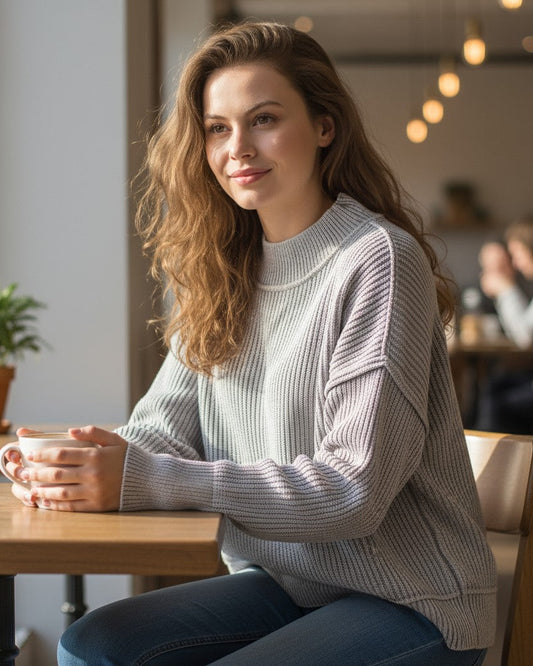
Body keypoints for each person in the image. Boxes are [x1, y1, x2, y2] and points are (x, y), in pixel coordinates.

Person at [5, 21, 495, 665]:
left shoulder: (377, 260)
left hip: (414, 601)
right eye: (217, 127)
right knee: (91, 647)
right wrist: (72, 468)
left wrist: (147, 477)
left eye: (263, 118)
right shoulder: (223, 268)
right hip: (292, 586)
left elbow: (353, 491)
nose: (238, 147)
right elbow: (160, 433)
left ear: (325, 126)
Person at [476, 217, 533, 433]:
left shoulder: (518, 286)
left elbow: (526, 336)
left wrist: (505, 290)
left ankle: (498, 461)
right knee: (493, 385)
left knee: (497, 402)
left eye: (517, 254)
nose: (516, 263)